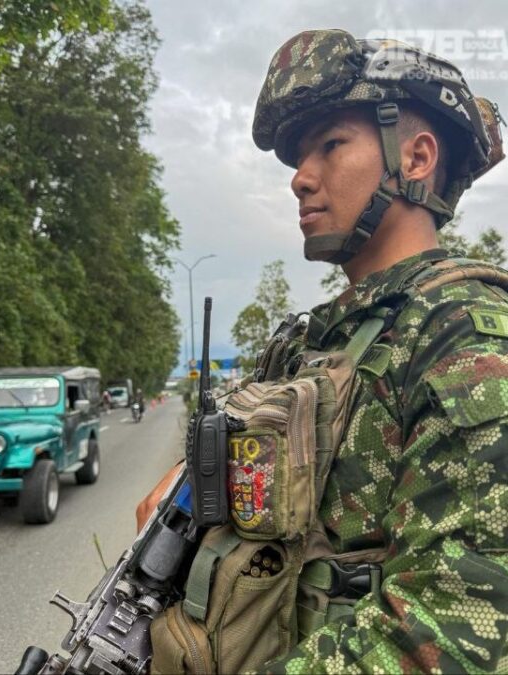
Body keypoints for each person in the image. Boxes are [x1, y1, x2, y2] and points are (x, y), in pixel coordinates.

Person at [137, 30, 508, 672]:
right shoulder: (312, 340)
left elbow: (458, 627)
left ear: (416, 159)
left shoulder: (465, 337)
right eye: (297, 160)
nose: (301, 181)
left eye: (331, 146)